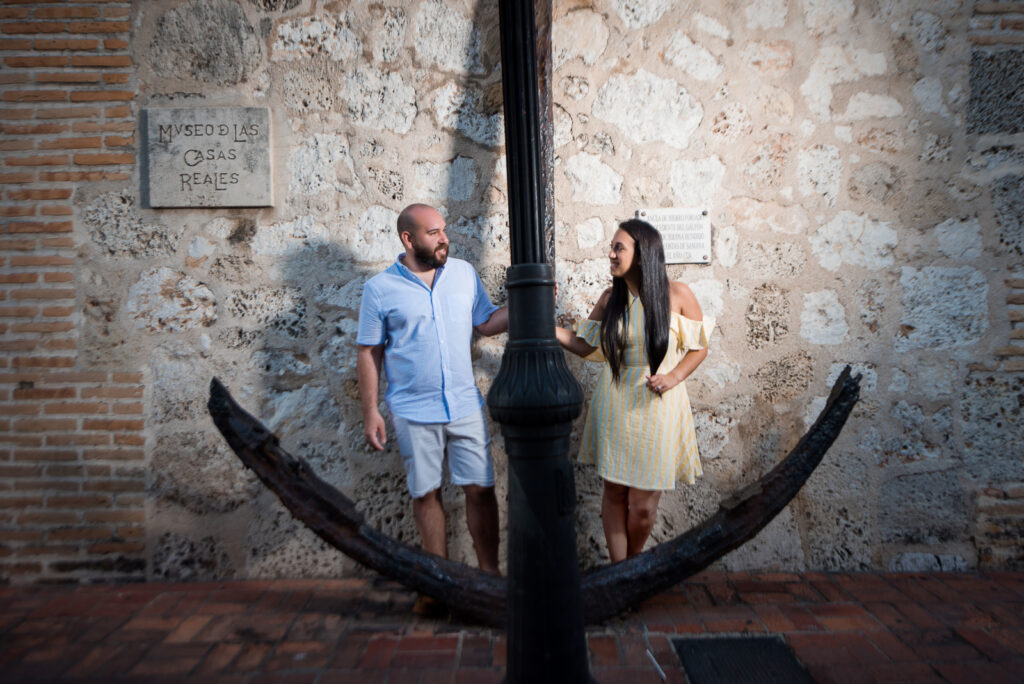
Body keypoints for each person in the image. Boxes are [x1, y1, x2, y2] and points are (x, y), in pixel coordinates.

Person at [356, 204, 508, 581]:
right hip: (411, 408)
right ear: (408, 239)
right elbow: (369, 351)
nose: (444, 239)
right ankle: (438, 583)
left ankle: (490, 576)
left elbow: (487, 324)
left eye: (444, 230)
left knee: (481, 488)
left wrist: (529, 303)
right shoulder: (379, 290)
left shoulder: (463, 274)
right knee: (426, 493)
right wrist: (370, 410)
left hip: (464, 404)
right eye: (433, 232)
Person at [555, 219, 713, 563]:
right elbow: (584, 345)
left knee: (642, 507)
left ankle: (631, 568)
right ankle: (620, 572)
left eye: (618, 248)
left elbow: (700, 347)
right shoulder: (611, 297)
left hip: (659, 408)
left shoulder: (679, 294)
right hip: (617, 403)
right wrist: (542, 325)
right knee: (614, 491)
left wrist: (673, 376)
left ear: (642, 255)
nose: (610, 254)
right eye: (612, 247)